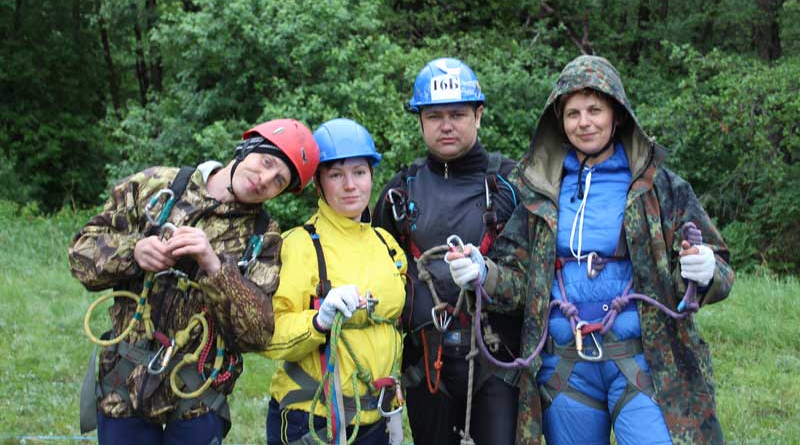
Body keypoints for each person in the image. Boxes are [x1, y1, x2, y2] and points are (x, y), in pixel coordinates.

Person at [448, 55, 735, 444]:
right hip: (565, 368)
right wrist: (483, 274)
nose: (584, 122)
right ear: (560, 123)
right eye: (572, 113)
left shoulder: (657, 186)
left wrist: (706, 270)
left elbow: (719, 266)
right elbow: (517, 281)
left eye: (595, 110)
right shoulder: (540, 192)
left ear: (617, 114)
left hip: (643, 363)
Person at [69, 118, 320, 444]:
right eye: (266, 161)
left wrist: (214, 267)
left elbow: (257, 334)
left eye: (279, 181)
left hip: (197, 395)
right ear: (246, 149)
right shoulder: (157, 186)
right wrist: (135, 252)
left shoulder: (264, 237)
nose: (264, 179)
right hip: (124, 381)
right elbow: (80, 254)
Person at [373, 58, 520, 445]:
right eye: (434, 115)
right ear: (420, 120)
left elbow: (536, 276)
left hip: (497, 361)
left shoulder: (510, 185)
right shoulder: (399, 191)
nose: (447, 125)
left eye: (457, 113)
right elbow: (374, 267)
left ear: (479, 114)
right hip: (426, 365)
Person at [262, 118, 407, 445]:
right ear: (319, 184)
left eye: (358, 172)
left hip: (376, 416)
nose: (350, 185)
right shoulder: (299, 246)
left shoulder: (386, 244)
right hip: (312, 419)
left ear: (372, 176)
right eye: (336, 175)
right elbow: (270, 335)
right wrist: (319, 321)